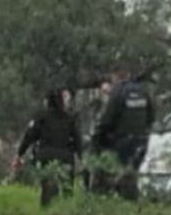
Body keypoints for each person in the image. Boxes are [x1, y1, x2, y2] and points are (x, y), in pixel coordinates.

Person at [12, 89, 82, 207]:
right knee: (67, 188)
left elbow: (29, 136)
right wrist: (81, 156)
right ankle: (68, 212)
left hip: (47, 156)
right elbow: (77, 139)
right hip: (66, 157)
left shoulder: (41, 118)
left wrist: (19, 154)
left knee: (48, 189)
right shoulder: (69, 119)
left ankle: (48, 211)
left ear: (47, 102)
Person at [92, 71, 155, 199]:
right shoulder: (143, 91)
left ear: (115, 77)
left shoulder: (118, 92)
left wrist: (99, 136)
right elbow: (151, 116)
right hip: (141, 140)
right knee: (133, 172)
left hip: (122, 141)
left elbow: (108, 120)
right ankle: (132, 200)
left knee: (118, 173)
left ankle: (120, 200)